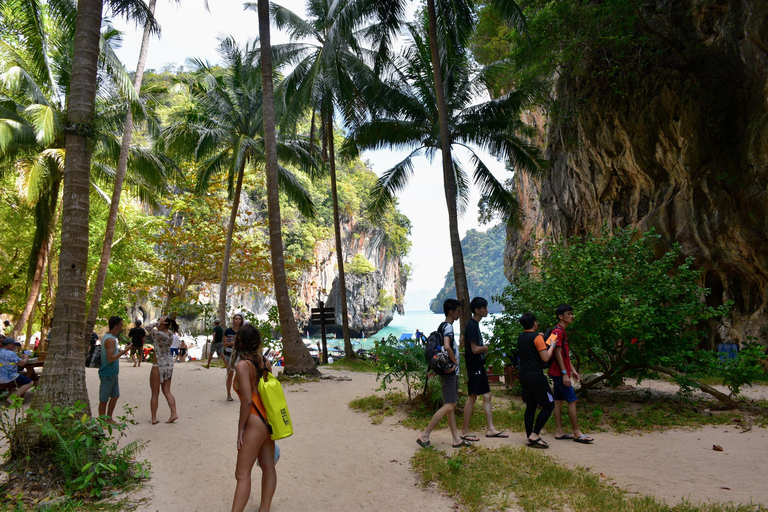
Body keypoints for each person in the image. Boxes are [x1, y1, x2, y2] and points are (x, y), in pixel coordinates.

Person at [231, 323, 276, 512]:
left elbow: (247, 401)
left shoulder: (242, 366)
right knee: (268, 466)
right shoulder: (265, 362)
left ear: (239, 341)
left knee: (242, 474)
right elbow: (267, 392)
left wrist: (241, 428)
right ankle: (264, 509)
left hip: (254, 421)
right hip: (268, 421)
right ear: (257, 342)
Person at [417, 299, 471, 449]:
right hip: (450, 372)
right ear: (451, 312)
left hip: (447, 370)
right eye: (458, 311)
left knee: (450, 405)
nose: (460, 313)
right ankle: (425, 435)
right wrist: (455, 363)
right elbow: (447, 347)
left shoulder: (442, 326)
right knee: (450, 404)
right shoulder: (448, 327)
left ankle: (456, 439)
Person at [461, 297, 507, 441]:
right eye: (484, 308)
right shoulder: (472, 325)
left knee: (487, 395)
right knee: (472, 397)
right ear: (477, 310)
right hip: (474, 366)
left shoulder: (472, 324)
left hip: (477, 365)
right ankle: (464, 431)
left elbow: (462, 342)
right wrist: (487, 347)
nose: (487, 310)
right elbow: (475, 349)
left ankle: (491, 429)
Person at [548, 304, 593, 444]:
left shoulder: (559, 331)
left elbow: (564, 354)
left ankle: (559, 431)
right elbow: (556, 353)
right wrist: (564, 374)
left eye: (572, 313)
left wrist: (572, 370)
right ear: (560, 316)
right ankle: (576, 433)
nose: (571, 316)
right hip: (559, 373)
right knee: (572, 400)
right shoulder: (558, 331)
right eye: (568, 314)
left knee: (558, 401)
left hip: (558, 372)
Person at [517, 313, 556, 448]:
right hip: (536, 376)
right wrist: (552, 345)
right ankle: (535, 434)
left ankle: (529, 437)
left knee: (531, 406)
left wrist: (540, 338)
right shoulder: (537, 338)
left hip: (524, 375)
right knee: (549, 405)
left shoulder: (521, 337)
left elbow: (531, 348)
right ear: (534, 323)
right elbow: (545, 358)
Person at [98, 316, 132, 425]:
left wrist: (122, 350)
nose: (122, 327)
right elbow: (110, 358)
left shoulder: (110, 338)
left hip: (113, 373)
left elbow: (112, 352)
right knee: (104, 399)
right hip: (107, 373)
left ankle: (109, 418)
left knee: (115, 395)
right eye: (121, 325)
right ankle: (103, 420)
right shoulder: (110, 340)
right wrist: (125, 352)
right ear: (115, 326)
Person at [146, 316, 178, 424]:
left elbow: (147, 327)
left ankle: (154, 418)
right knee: (167, 391)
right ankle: (174, 413)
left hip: (158, 364)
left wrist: (156, 323)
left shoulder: (159, 334)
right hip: (168, 364)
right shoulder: (170, 334)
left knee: (155, 393)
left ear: (163, 324)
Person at [225, 313, 244, 402]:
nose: (237, 320)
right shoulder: (228, 331)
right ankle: (228, 393)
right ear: (233, 320)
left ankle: (241, 393)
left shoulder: (243, 331)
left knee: (240, 375)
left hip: (240, 354)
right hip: (229, 354)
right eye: (236, 319)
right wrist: (234, 342)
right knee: (230, 374)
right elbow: (224, 344)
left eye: (239, 319)